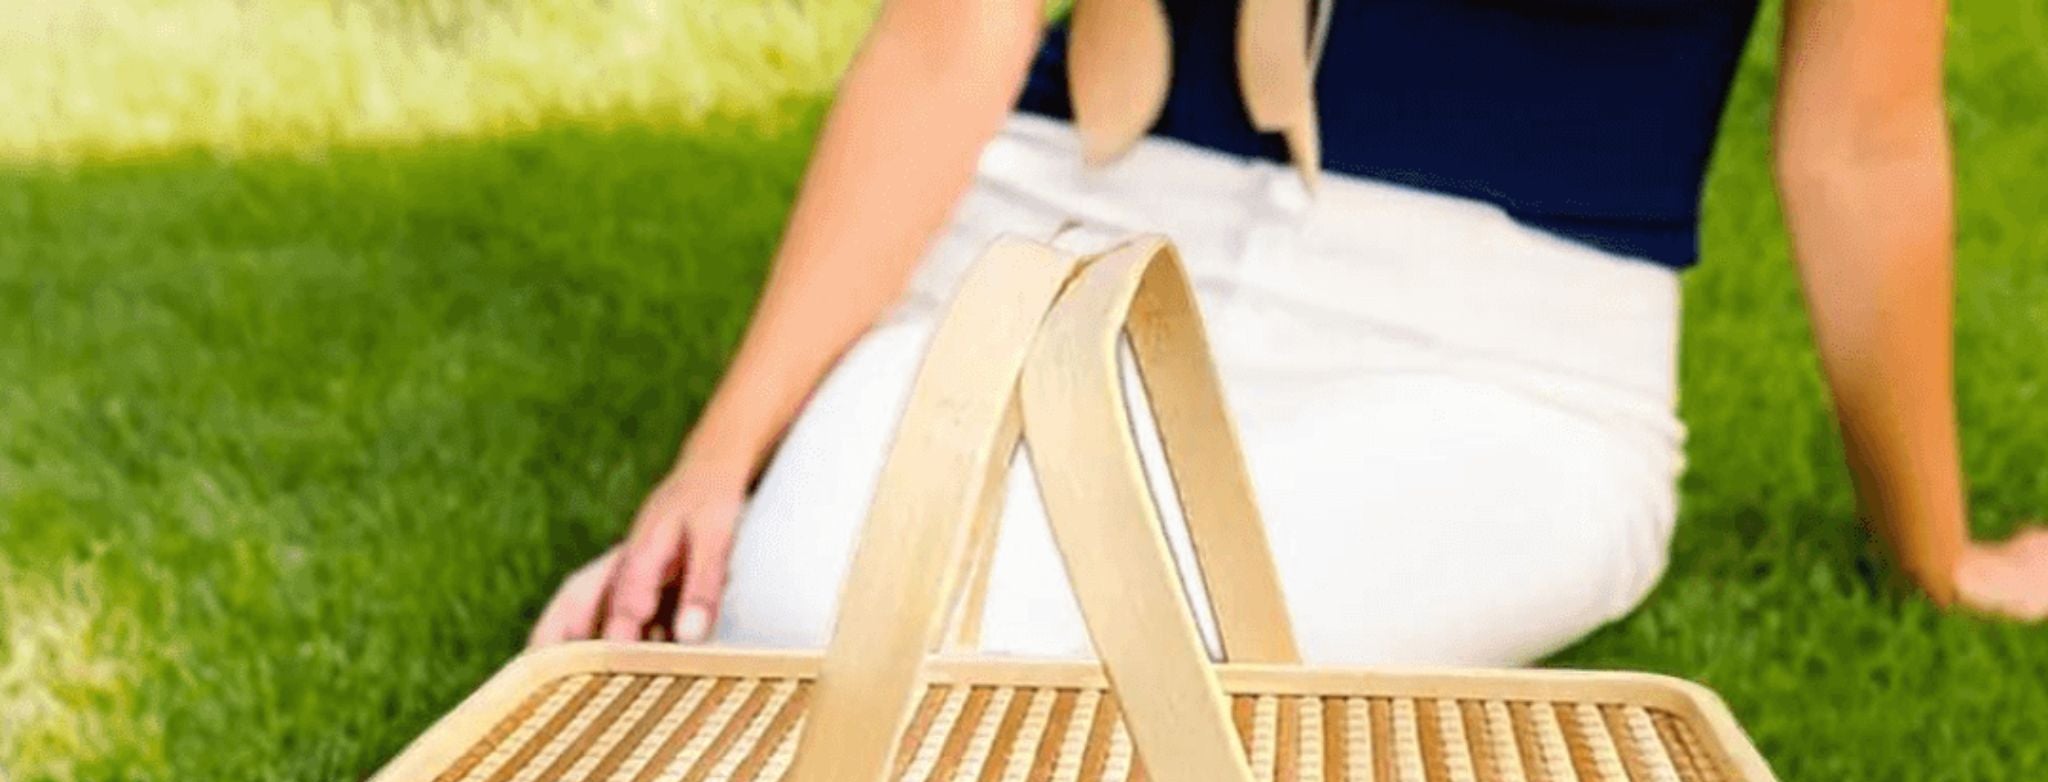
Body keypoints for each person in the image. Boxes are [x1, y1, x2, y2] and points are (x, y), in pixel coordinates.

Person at [530, 0, 2048, 663]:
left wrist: (1938, 548)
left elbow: (1859, 144)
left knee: (1100, 703)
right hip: (1054, 226)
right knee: (794, 639)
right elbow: (954, 32)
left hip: (1495, 353)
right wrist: (720, 461)